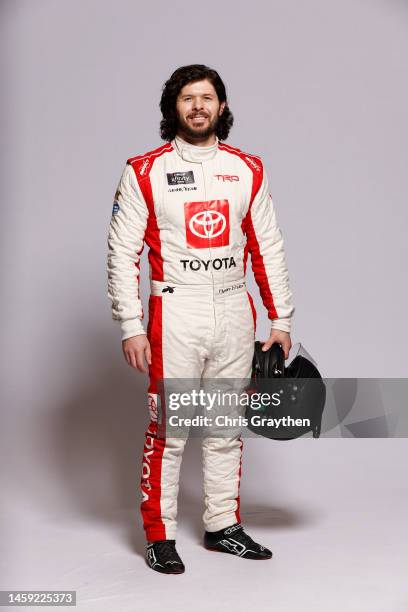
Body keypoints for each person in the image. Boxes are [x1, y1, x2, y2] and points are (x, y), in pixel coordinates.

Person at [107, 64, 295, 574]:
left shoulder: (248, 168)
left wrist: (280, 318)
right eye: (187, 98)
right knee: (170, 428)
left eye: (206, 98)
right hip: (176, 310)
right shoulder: (144, 170)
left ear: (222, 106)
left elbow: (266, 247)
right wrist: (130, 324)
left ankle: (222, 527)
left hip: (235, 308)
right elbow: (122, 253)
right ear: (173, 108)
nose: (197, 106)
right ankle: (159, 534)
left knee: (225, 428)